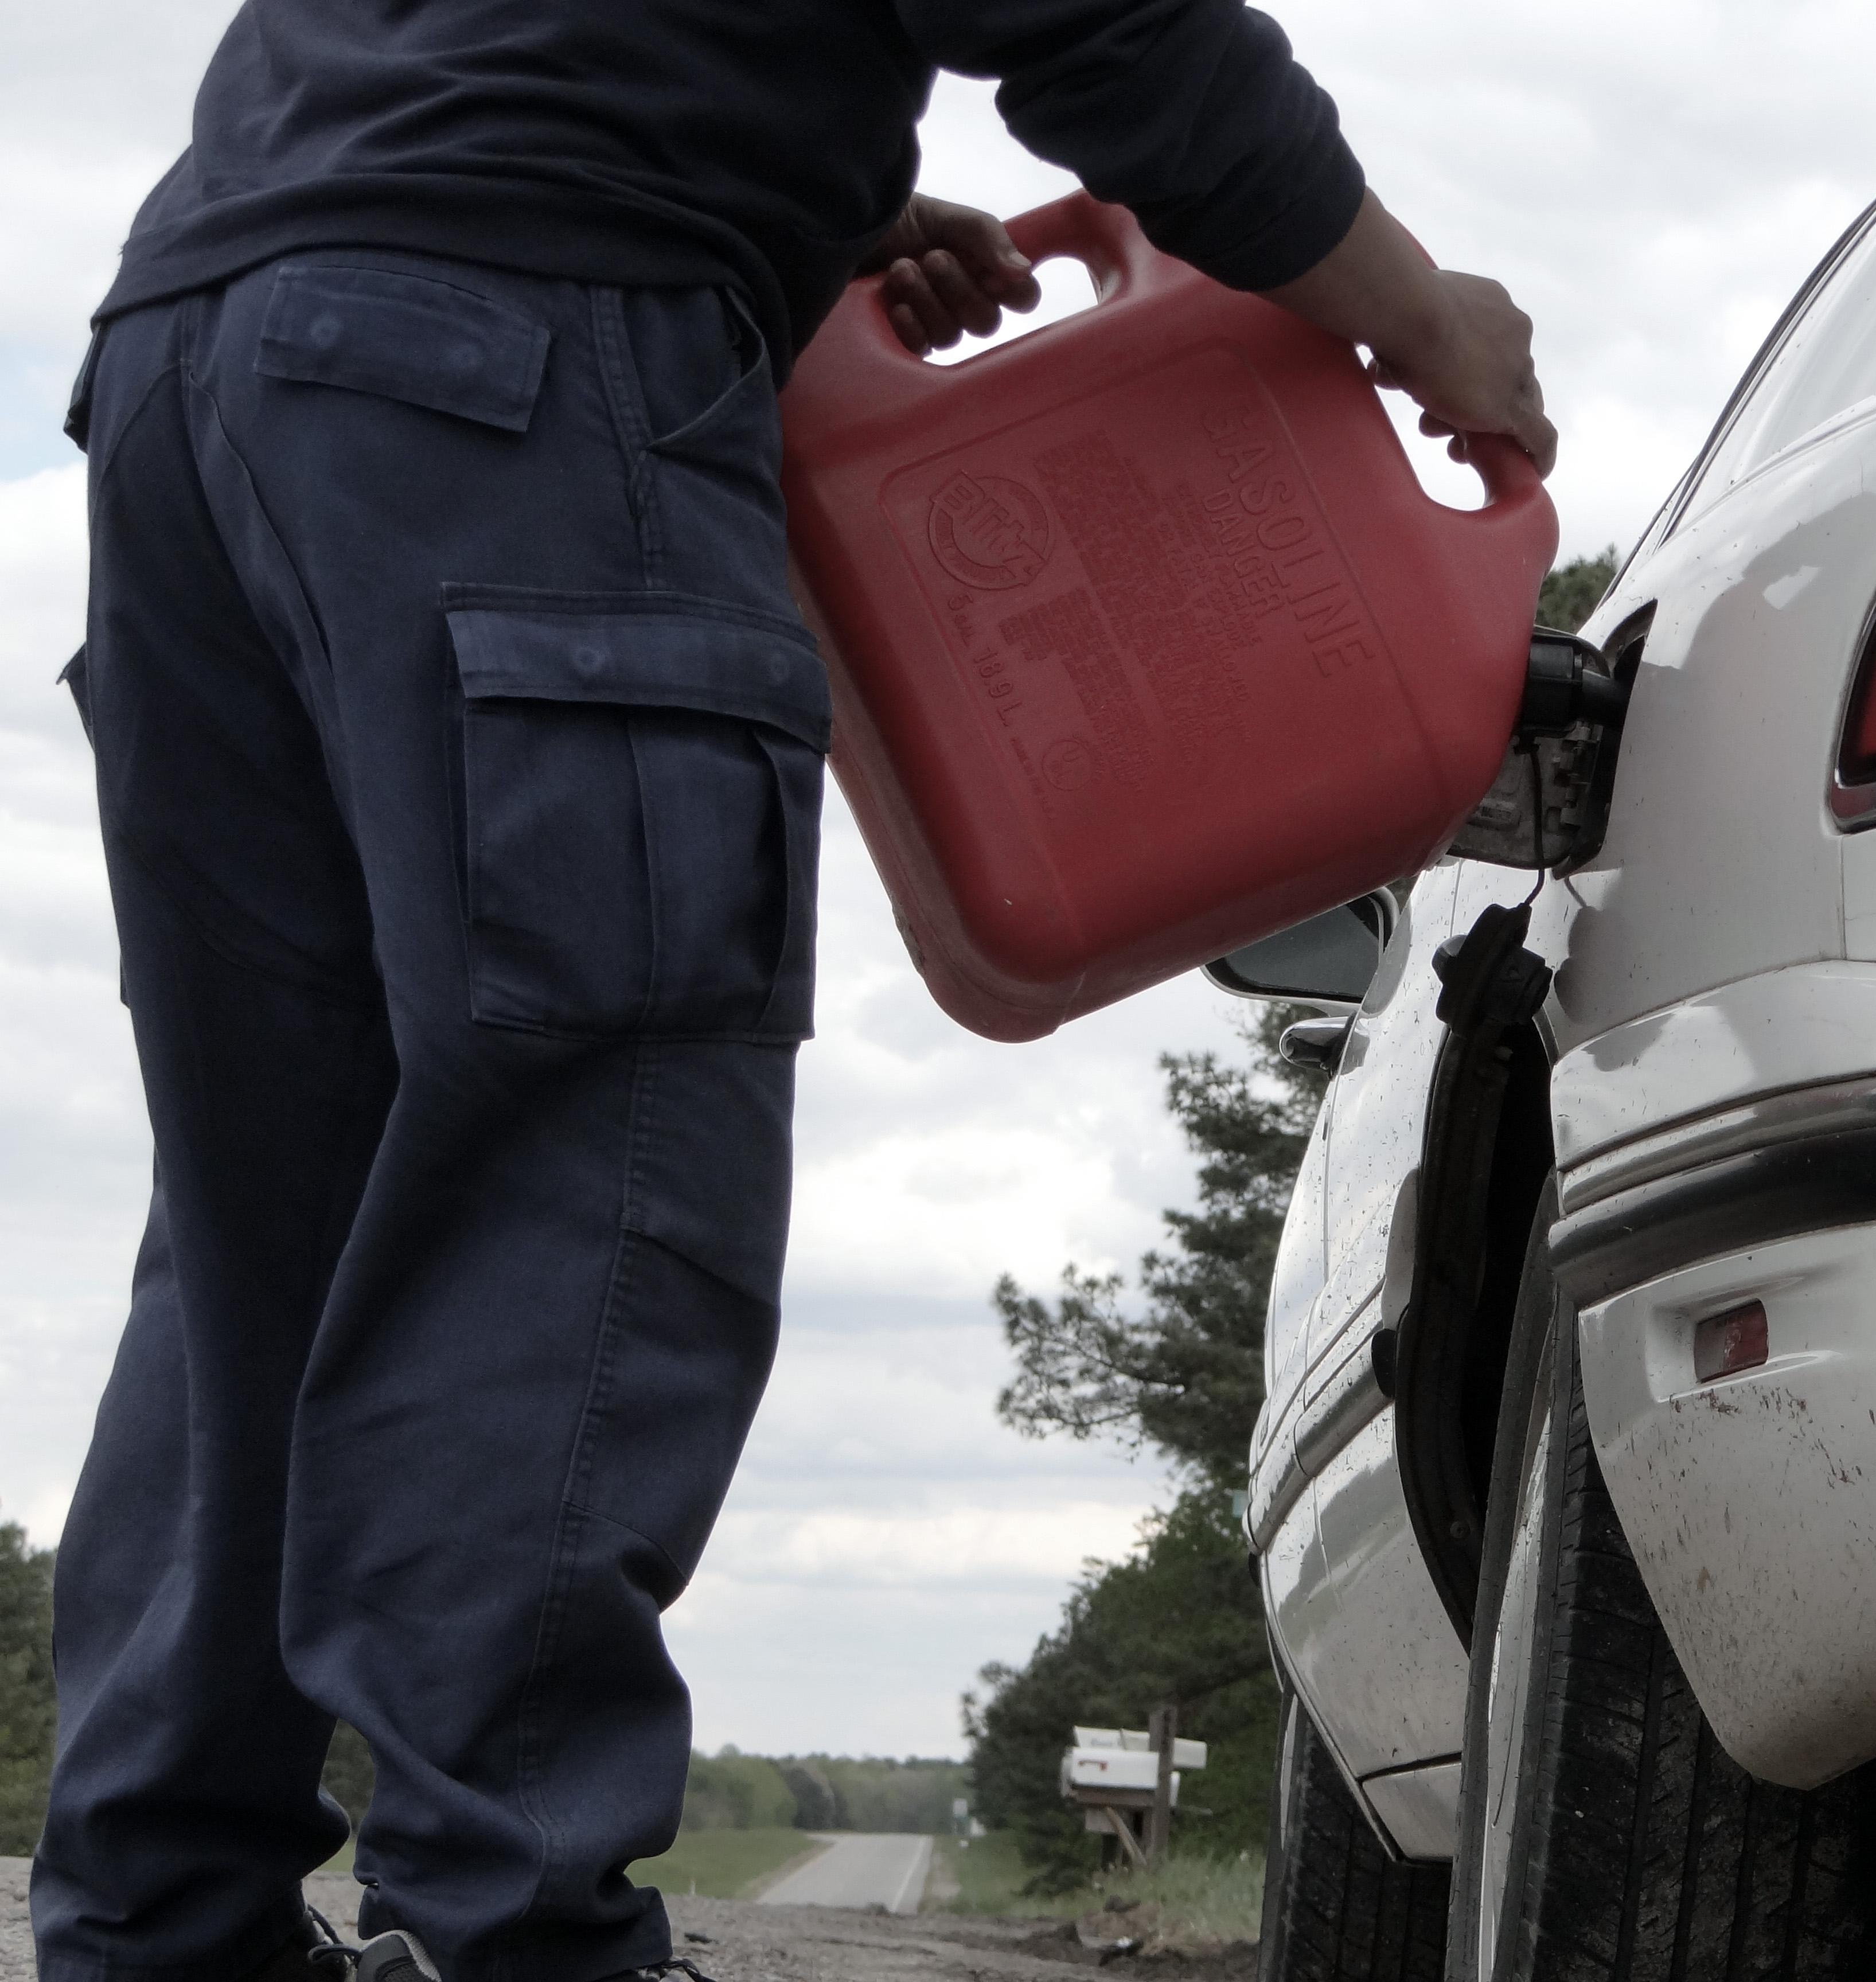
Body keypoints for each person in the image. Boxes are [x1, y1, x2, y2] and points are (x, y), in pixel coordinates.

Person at [32, 2, 1553, 1978]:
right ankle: (512, 1938)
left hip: (193, 364)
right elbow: (1117, 31)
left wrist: (799, 184)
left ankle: (160, 1925)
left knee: (264, 1213)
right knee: (588, 1165)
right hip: (529, 371)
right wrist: (1416, 310)